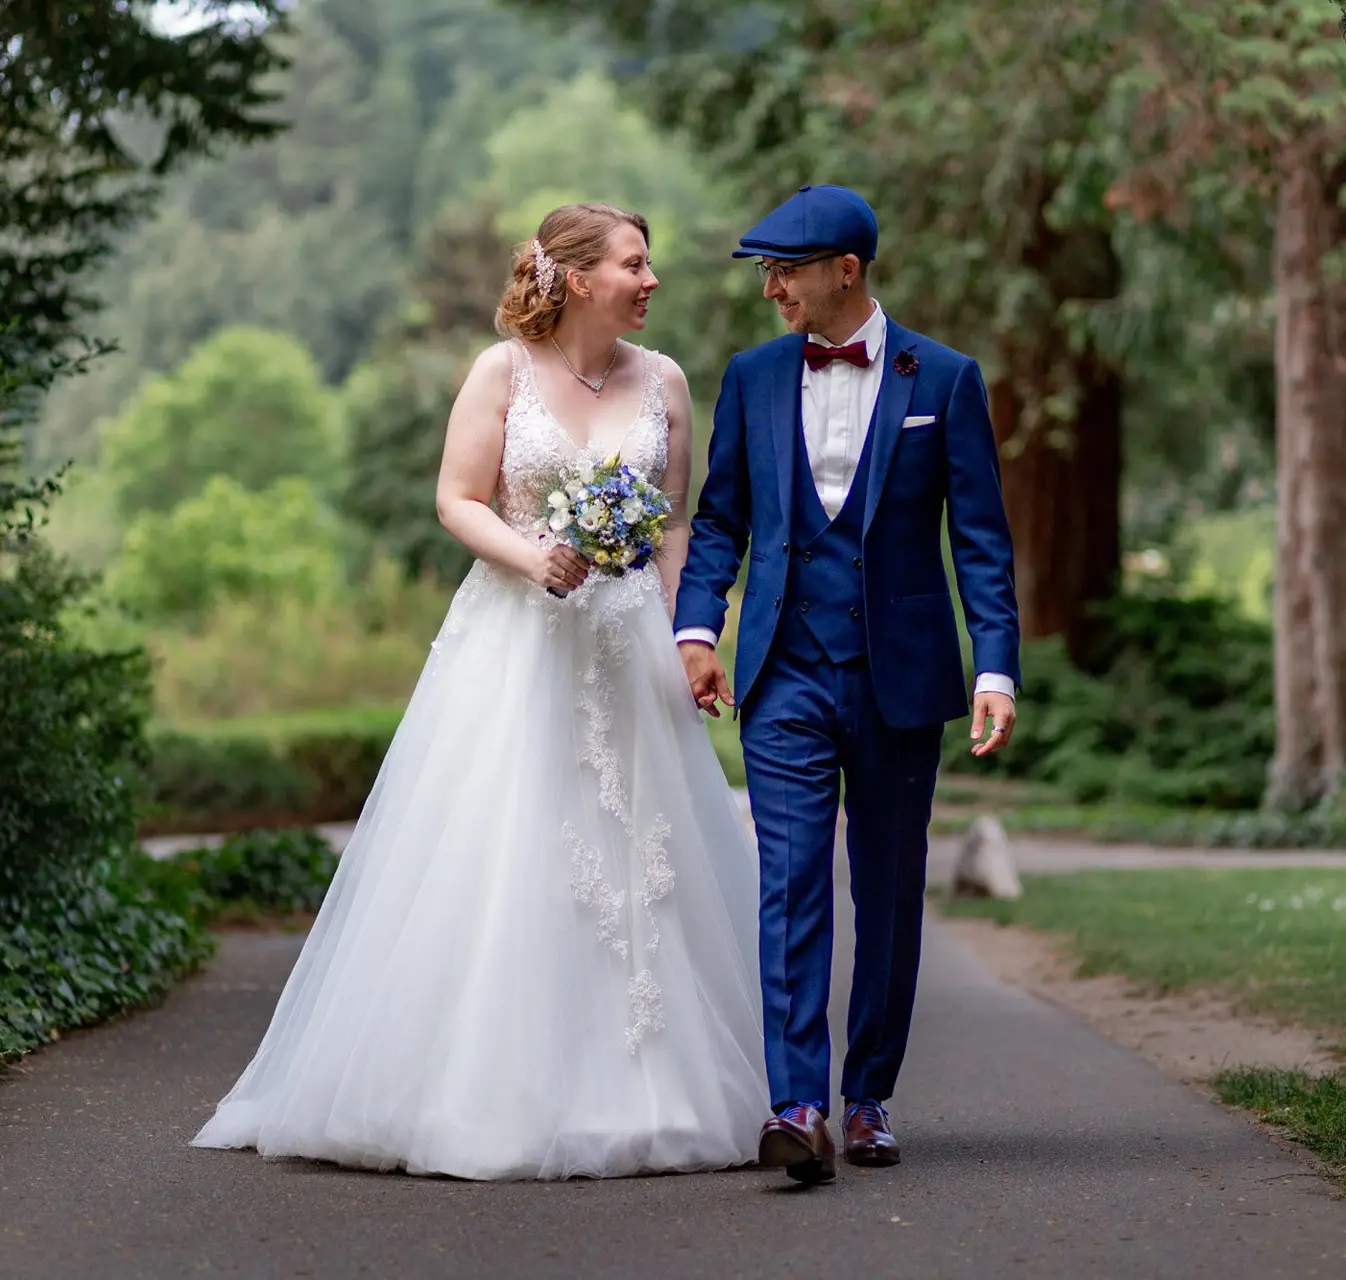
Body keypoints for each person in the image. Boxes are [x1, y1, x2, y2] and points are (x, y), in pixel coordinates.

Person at [192, 202, 768, 1180]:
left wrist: (687, 633)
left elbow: (674, 523)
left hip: (627, 641)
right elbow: (457, 497)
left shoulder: (664, 379)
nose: (652, 279)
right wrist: (533, 554)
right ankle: (478, 1089)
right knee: (510, 846)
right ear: (580, 278)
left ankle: (650, 1082)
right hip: (519, 638)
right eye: (636, 263)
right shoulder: (502, 370)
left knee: (647, 853)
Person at [674, 184, 1021, 1184]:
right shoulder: (751, 376)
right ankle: (796, 1103)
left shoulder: (945, 379)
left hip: (899, 676)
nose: (772, 287)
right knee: (787, 884)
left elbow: (983, 541)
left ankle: (868, 1096)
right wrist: (699, 625)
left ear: (847, 271)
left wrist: (993, 662)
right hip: (783, 669)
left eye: (786, 269)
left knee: (888, 890)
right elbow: (723, 517)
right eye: (766, 270)